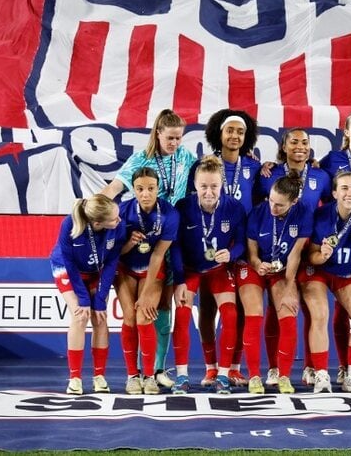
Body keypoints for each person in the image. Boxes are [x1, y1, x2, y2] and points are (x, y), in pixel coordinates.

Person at [101, 109, 195, 389]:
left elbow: (208, 168)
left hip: (171, 236)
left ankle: (157, 371)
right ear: (158, 133)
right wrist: (91, 210)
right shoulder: (140, 160)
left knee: (163, 308)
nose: (175, 143)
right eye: (170, 138)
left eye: (179, 138)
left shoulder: (185, 156)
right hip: (142, 241)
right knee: (137, 314)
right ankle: (135, 374)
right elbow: (114, 188)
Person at [171, 156, 246, 394]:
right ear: (195, 185)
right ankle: (182, 376)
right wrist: (180, 280)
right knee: (182, 315)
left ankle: (223, 374)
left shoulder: (234, 207)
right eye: (203, 186)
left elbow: (243, 242)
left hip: (217, 270)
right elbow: (175, 246)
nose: (209, 191)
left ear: (221, 185)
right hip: (190, 270)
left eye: (214, 186)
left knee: (231, 314)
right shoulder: (183, 207)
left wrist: (231, 254)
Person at [303, 171, 351, 393]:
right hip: (318, 270)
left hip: (347, 273)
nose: (350, 193)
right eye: (344, 188)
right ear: (334, 192)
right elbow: (311, 256)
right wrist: (323, 255)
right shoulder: (321, 215)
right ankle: (321, 374)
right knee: (320, 314)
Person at [238, 172, 312, 395]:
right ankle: (253, 376)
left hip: (282, 270)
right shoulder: (259, 212)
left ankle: (285, 376)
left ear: (294, 202)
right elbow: (250, 252)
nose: (273, 207)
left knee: (288, 317)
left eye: (279, 205)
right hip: (253, 267)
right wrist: (258, 263)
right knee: (254, 315)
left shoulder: (303, 213)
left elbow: (295, 254)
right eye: (271, 200)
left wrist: (290, 289)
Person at [49, 194, 127, 395]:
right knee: (79, 315)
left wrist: (100, 299)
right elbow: (69, 262)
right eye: (114, 219)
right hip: (67, 268)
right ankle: (75, 378)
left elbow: (111, 263)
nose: (119, 221)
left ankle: (99, 376)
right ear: (97, 222)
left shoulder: (119, 227)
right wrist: (83, 299)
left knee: (100, 318)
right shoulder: (70, 224)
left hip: (97, 271)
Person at [115, 168, 178, 395]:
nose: (145, 194)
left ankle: (149, 376)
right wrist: (130, 244)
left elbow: (158, 254)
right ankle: (133, 376)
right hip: (126, 269)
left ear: (158, 189)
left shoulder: (170, 214)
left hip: (154, 269)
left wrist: (145, 293)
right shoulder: (122, 212)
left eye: (151, 188)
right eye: (140, 189)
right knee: (130, 318)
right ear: (133, 189)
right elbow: (115, 253)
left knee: (144, 316)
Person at [259, 127, 330, 210]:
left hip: (307, 223)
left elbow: (329, 207)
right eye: (294, 142)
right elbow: (257, 206)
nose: (300, 146)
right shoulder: (268, 174)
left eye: (304, 143)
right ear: (284, 147)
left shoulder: (322, 176)